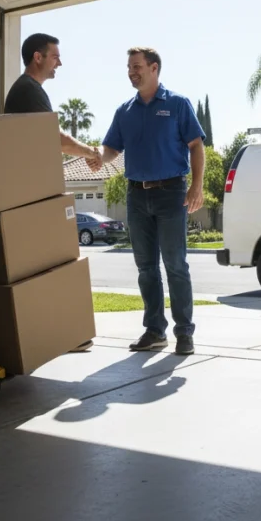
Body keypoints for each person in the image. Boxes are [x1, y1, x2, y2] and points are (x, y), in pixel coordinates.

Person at [93, 47, 205, 355]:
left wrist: (196, 186)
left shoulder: (177, 104)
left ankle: (184, 332)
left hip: (171, 193)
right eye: (129, 67)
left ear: (154, 68)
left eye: (137, 66)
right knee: (145, 267)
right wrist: (98, 156)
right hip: (136, 195)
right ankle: (155, 331)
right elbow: (111, 148)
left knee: (175, 264)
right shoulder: (124, 111)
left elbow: (196, 145)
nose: (132, 72)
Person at [4, 32, 98, 352]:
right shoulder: (28, 91)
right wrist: (90, 153)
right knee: (55, 262)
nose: (60, 62)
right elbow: (55, 138)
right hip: (31, 195)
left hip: (32, 192)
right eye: (55, 56)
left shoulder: (30, 91)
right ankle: (62, 334)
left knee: (48, 264)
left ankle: (57, 334)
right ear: (38, 57)